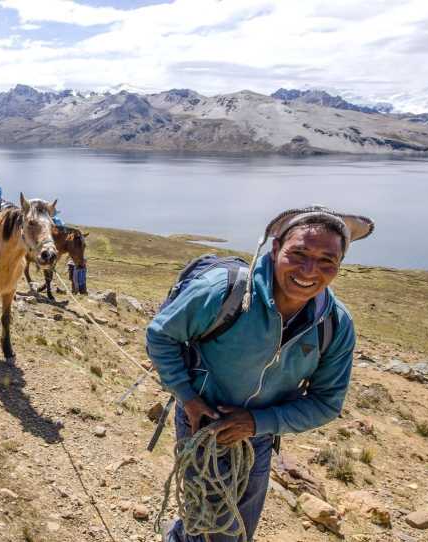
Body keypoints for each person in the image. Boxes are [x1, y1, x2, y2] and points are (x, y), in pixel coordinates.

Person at [146, 206, 374, 542]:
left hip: (262, 435)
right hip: (202, 423)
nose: (310, 270)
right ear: (276, 247)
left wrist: (256, 424)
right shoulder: (223, 292)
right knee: (214, 528)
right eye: (298, 253)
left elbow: (327, 402)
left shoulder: (335, 324)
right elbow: (161, 335)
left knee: (238, 526)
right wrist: (188, 397)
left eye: (328, 260)